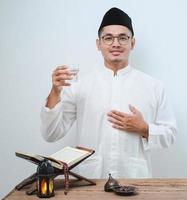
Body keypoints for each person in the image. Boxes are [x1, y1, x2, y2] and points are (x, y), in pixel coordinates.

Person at [40, 7, 177, 178]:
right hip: (91, 180)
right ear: (99, 44)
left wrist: (144, 128)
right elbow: (51, 134)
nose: (116, 44)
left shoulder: (153, 86)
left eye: (123, 38)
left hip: (135, 181)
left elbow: (170, 134)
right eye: (108, 38)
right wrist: (55, 92)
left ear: (132, 43)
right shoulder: (80, 87)